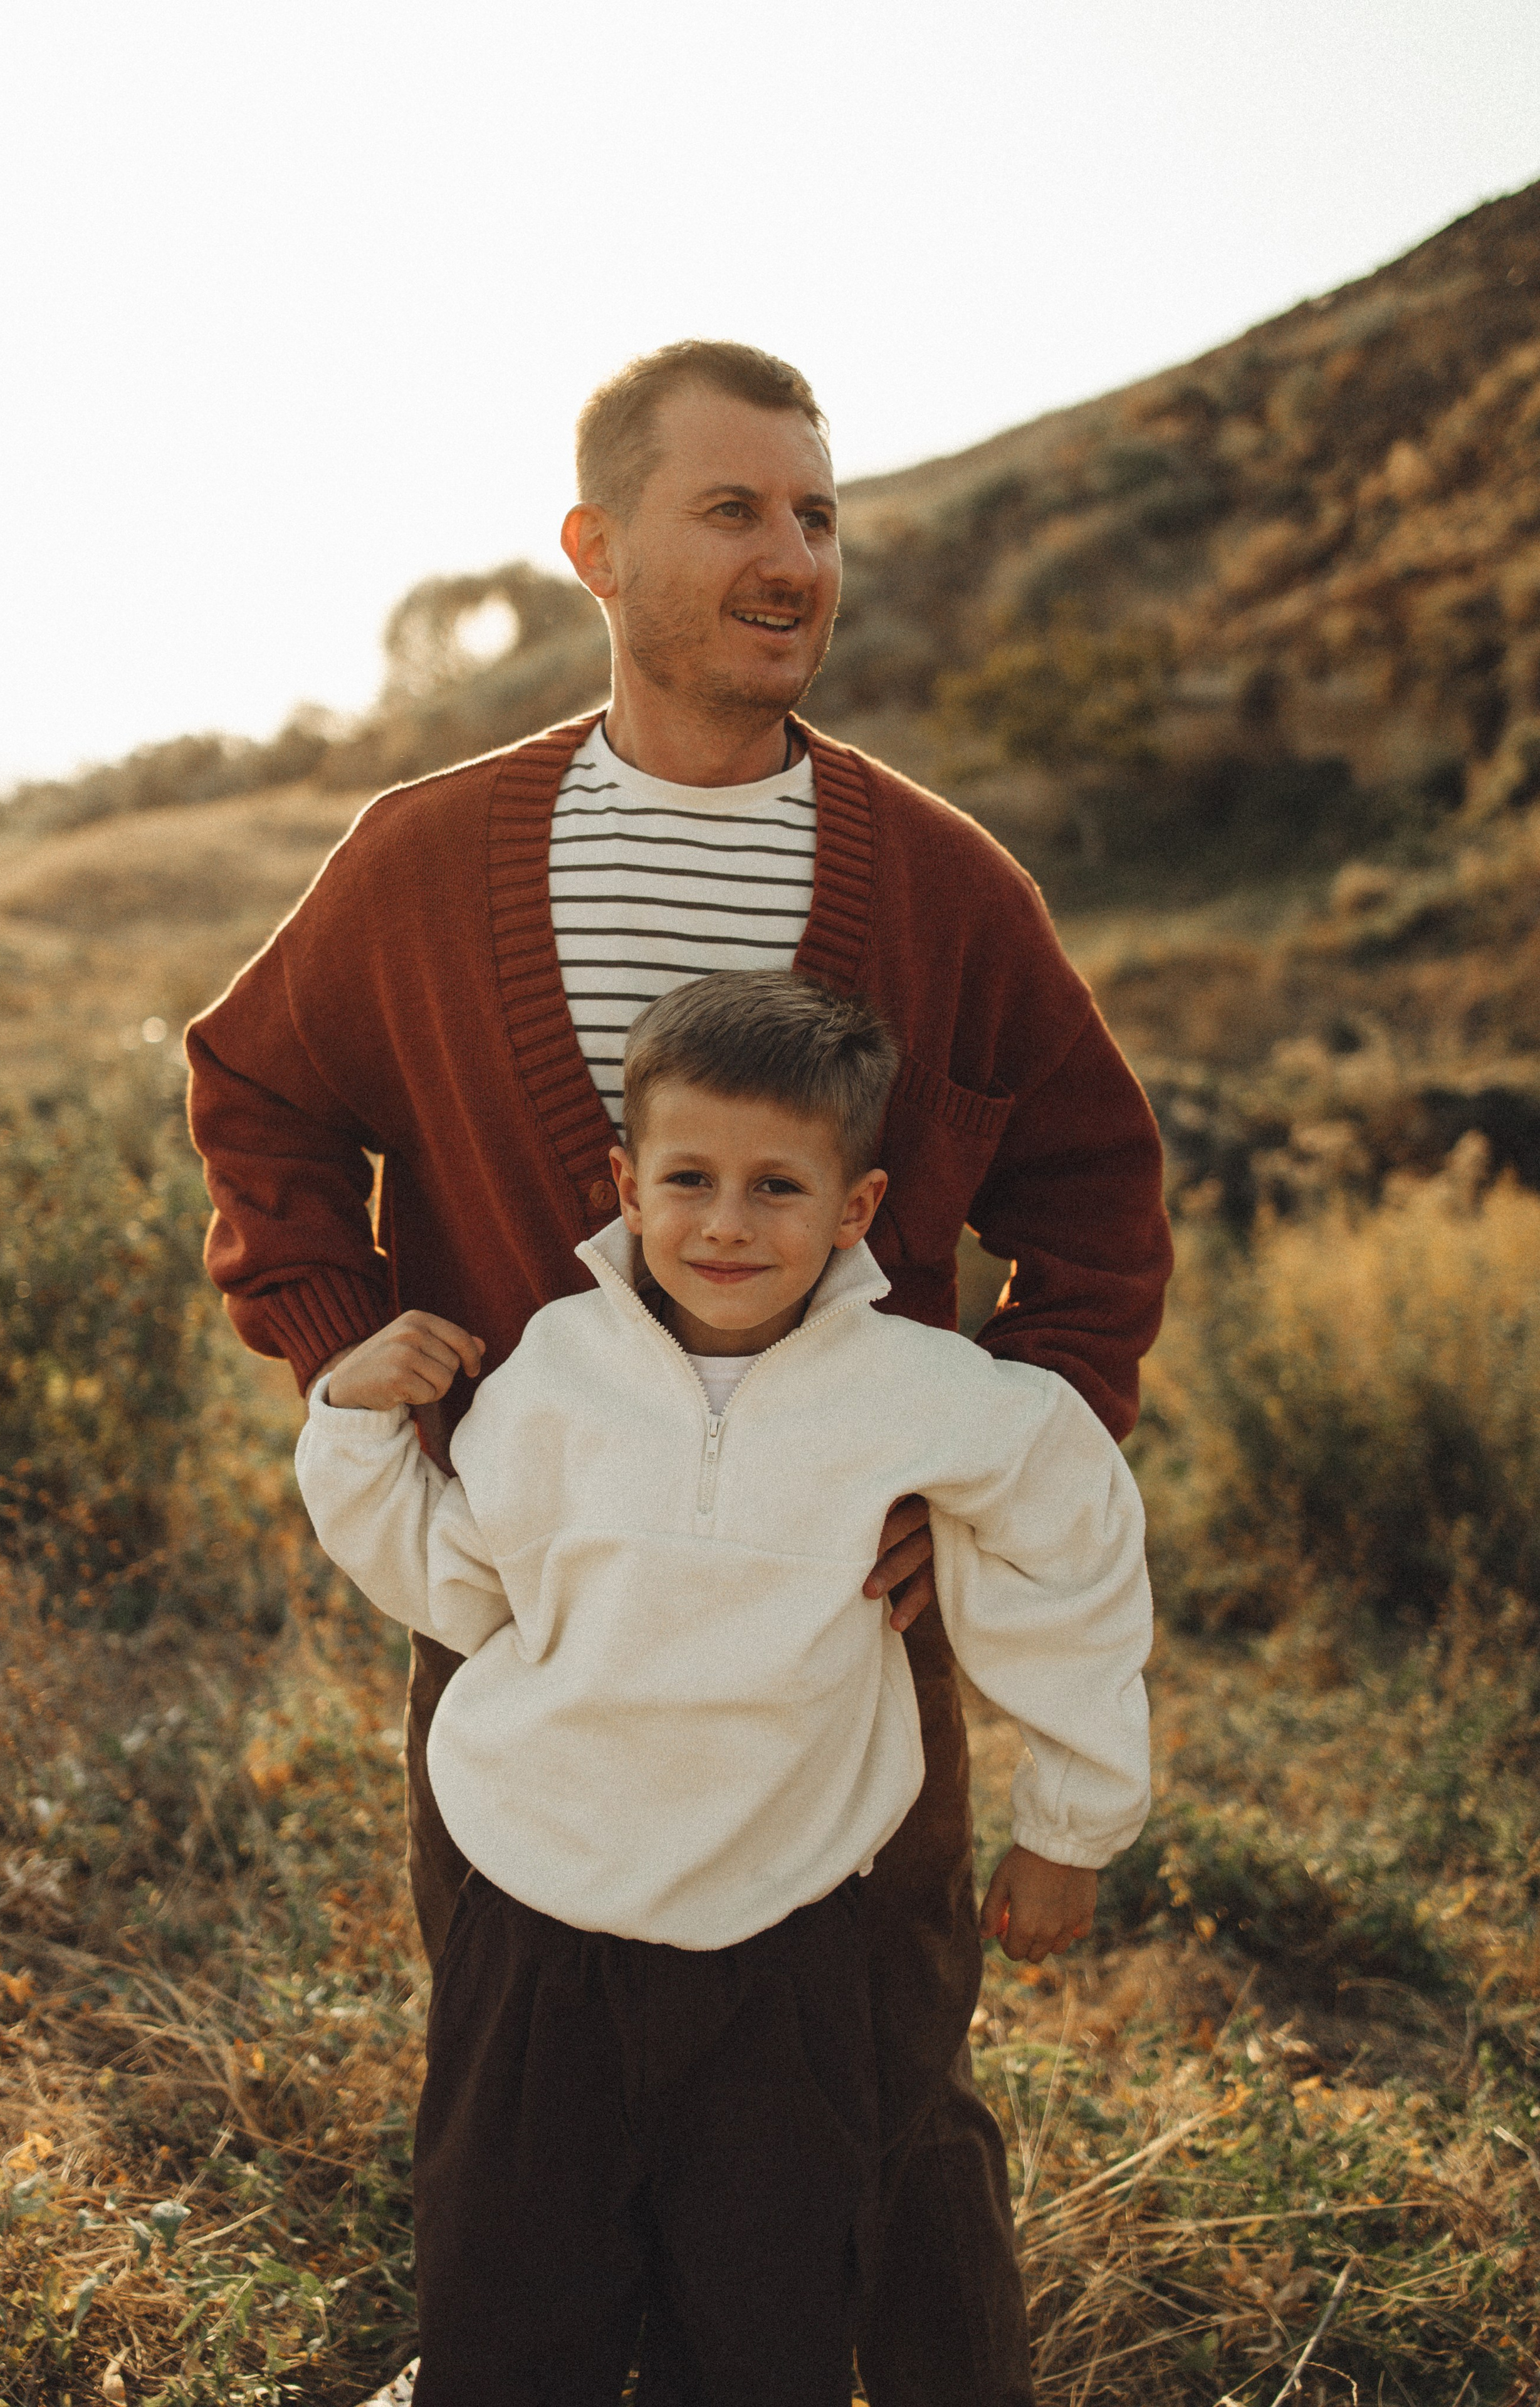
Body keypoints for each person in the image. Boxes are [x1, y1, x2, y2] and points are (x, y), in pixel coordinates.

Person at [186, 337, 1173, 2404]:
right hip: (544, 1627)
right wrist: (346, 1338)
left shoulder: (943, 883)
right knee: (538, 2132)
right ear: (596, 550)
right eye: (735, 510)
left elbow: (1098, 1188)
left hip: (843, 1664)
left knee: (882, 2151)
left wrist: (987, 1473)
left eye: (817, 515)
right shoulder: (425, 858)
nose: (793, 555)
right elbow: (257, 1091)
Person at [295, 972, 1153, 2407]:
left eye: (777, 1187)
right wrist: (352, 1427)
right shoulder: (552, 1375)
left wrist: (1070, 1822)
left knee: (761, 2329)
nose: (727, 1224)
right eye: (688, 1179)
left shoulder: (918, 1390)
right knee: (509, 2313)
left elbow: (1074, 1544)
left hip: (786, 1944)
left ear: (857, 1207)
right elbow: (461, 1584)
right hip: (539, 1923)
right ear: (627, 1186)